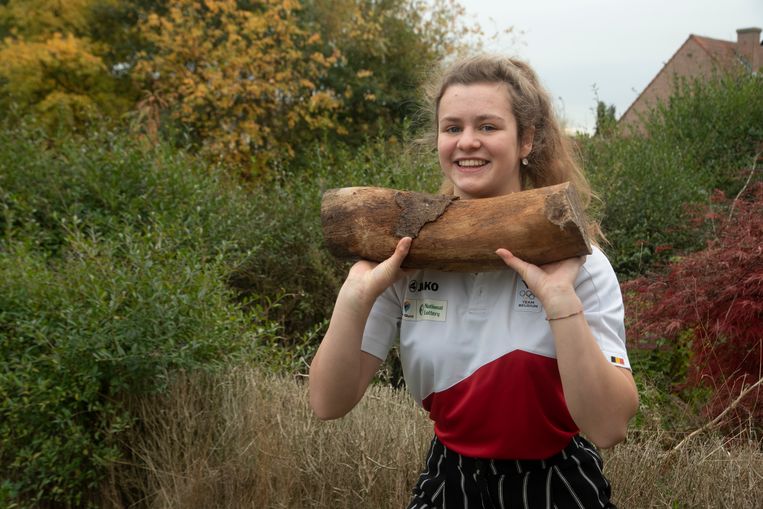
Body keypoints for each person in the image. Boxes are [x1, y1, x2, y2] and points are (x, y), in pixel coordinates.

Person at [309, 55, 639, 508]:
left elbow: (609, 427)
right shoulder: (404, 257)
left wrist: (561, 302)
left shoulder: (579, 264)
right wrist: (354, 296)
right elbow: (328, 403)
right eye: (452, 128)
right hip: (450, 480)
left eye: (487, 126)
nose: (467, 142)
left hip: (555, 484)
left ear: (527, 140)